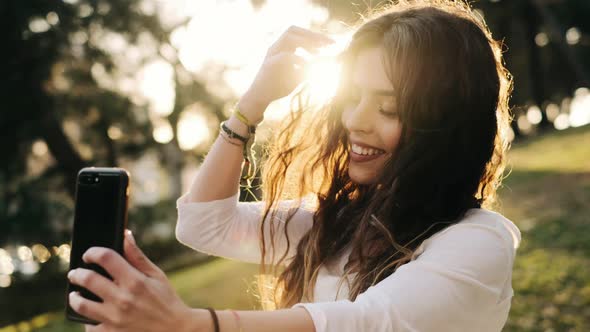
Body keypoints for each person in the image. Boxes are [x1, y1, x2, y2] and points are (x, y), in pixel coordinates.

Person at [66, 1, 522, 331]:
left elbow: (365, 322)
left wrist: (187, 324)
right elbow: (204, 225)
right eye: (353, 98)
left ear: (445, 123)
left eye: (389, 108)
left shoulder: (480, 242)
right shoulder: (337, 223)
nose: (355, 122)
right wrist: (253, 101)